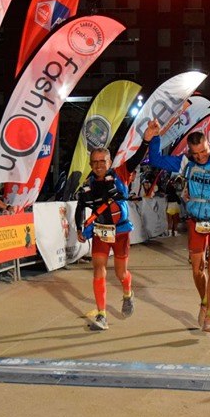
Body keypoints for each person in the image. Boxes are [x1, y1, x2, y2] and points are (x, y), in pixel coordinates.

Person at [144, 119, 210, 333]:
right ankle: (204, 300)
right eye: (196, 154)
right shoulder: (186, 163)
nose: (201, 157)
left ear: (208, 145)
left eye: (203, 152)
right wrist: (154, 137)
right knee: (197, 269)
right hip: (195, 220)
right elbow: (156, 160)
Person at [74, 142, 148, 331]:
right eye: (95, 162)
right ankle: (102, 315)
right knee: (98, 269)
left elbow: (136, 159)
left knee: (121, 273)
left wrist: (146, 141)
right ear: (90, 164)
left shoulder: (120, 174)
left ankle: (128, 293)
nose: (98, 165)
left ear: (109, 162)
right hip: (101, 232)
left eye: (102, 161)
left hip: (121, 232)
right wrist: (79, 228)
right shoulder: (88, 185)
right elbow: (80, 207)